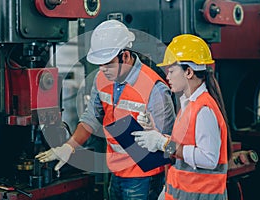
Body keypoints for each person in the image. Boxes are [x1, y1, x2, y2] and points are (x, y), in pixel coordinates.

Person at [35, 19, 176, 200]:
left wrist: (168, 186)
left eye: (107, 63)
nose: (102, 69)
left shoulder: (154, 88)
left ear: (125, 56)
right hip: (116, 172)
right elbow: (91, 117)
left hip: (143, 178)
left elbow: (167, 140)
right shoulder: (102, 78)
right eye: (99, 64)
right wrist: (69, 146)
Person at [132, 34, 233, 200]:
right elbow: (181, 146)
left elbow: (209, 159)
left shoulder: (204, 110)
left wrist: (162, 143)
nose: (167, 77)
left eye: (171, 71)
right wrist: (154, 132)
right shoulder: (188, 105)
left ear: (188, 72)